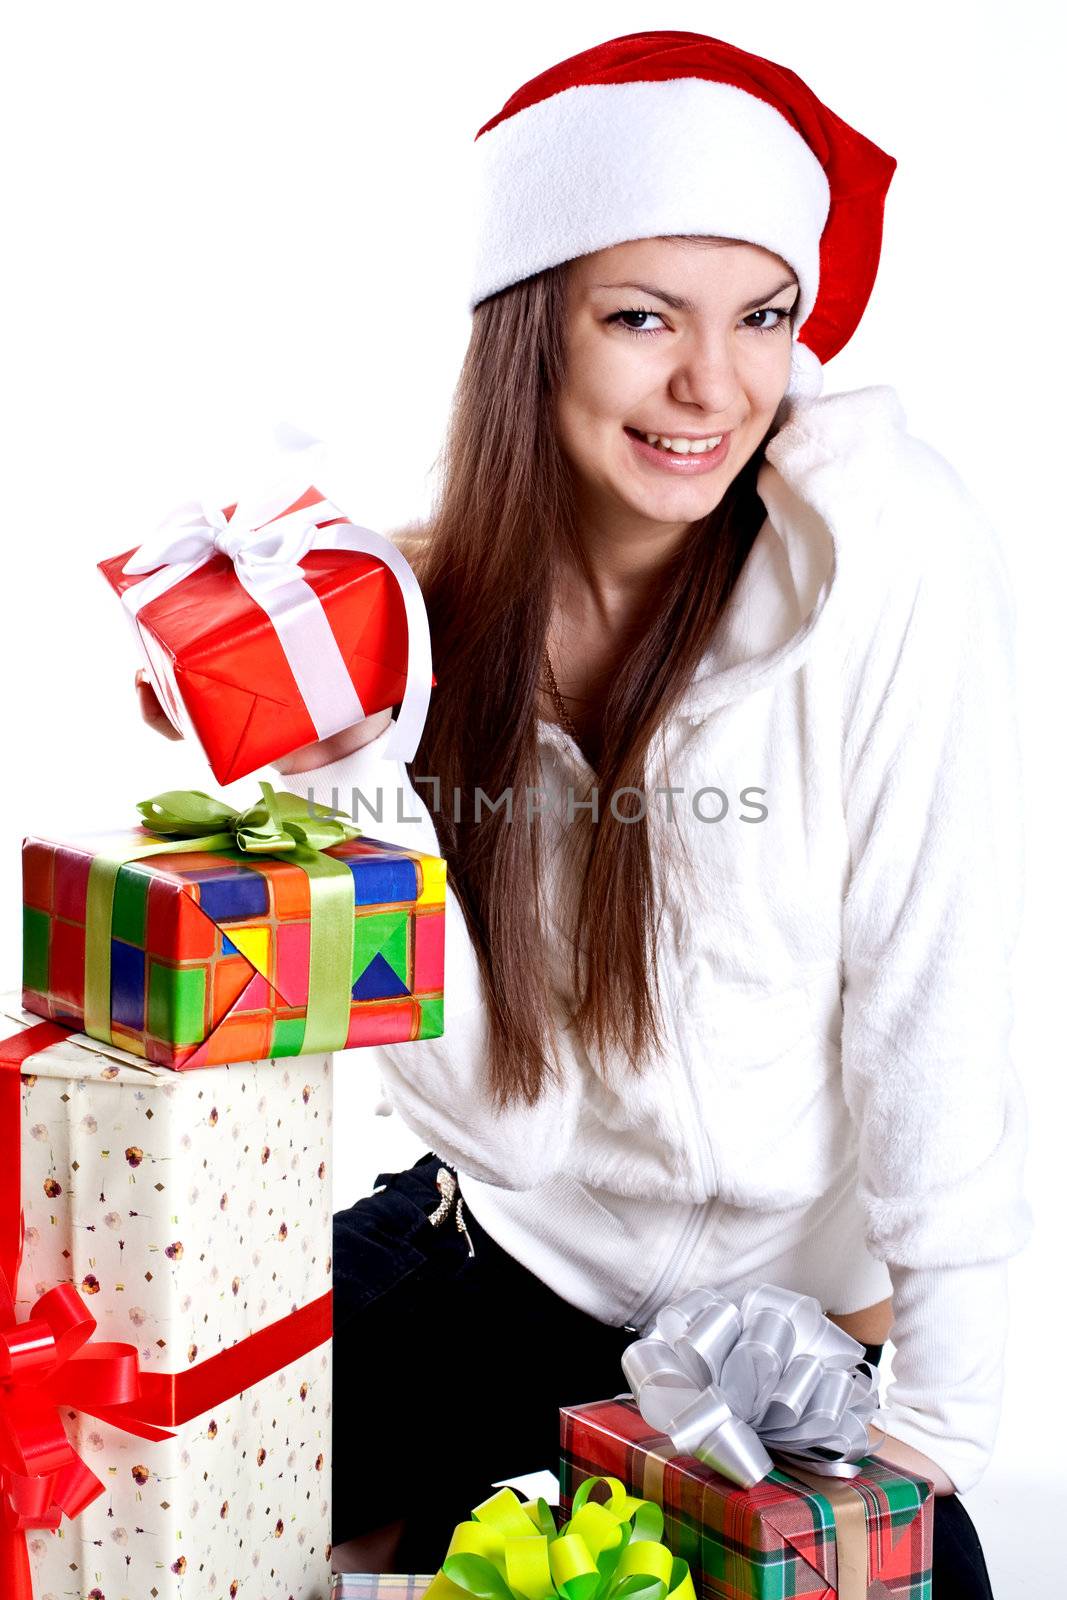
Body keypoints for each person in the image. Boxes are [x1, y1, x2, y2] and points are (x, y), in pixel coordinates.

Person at [138, 29, 1027, 1598]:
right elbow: (512, 1122)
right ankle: (440, 1505)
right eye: (641, 318)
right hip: (497, 1258)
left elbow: (935, 1006)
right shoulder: (416, 621)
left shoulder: (893, 558)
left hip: (780, 1345)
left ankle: (442, 1512)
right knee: (138, 1489)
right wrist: (336, 763)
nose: (713, 385)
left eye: (762, 317)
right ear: (529, 333)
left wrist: (941, 1429)